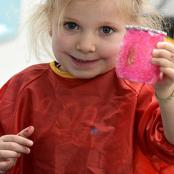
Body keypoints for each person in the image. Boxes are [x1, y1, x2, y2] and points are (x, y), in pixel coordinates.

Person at [0, 0, 174, 173]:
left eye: (106, 30)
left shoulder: (138, 92)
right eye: (71, 26)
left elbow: (169, 146)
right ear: (50, 23)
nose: (85, 46)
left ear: (132, 33)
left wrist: (167, 95)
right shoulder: (23, 88)